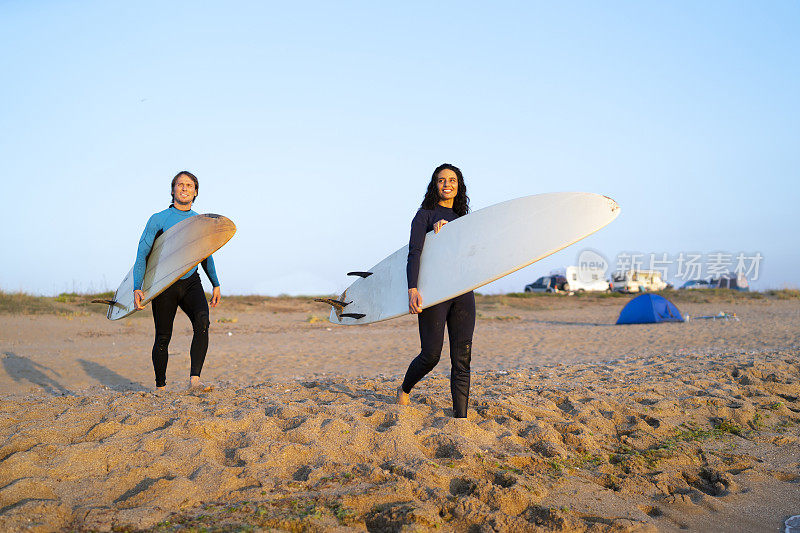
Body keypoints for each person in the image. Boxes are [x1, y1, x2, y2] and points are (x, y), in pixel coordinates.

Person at [397, 163, 475, 418]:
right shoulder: (425, 215)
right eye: (441, 180)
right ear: (435, 185)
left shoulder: (466, 220)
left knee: (462, 358)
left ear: (458, 185)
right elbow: (415, 253)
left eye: (452, 180)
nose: (447, 184)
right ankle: (405, 388)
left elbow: (472, 255)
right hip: (434, 292)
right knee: (431, 354)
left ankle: (460, 416)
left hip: (462, 292)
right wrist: (412, 290)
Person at [133, 171, 222, 391]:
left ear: (196, 192)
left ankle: (195, 381)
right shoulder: (159, 219)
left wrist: (216, 283)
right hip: (164, 284)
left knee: (202, 323)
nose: (184, 188)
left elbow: (206, 255)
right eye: (180, 184)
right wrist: (137, 287)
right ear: (172, 190)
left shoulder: (199, 221)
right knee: (163, 336)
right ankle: (161, 386)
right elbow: (142, 254)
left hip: (191, 281)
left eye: (189, 185)